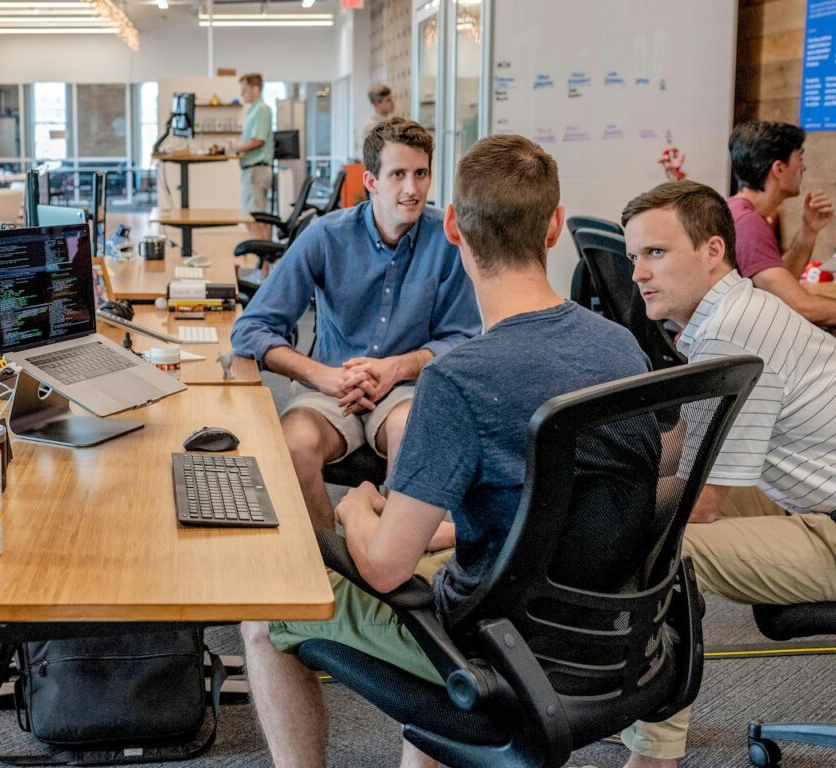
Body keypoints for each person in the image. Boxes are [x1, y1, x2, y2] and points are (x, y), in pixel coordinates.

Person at [240, 134, 656, 768]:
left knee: (261, 619)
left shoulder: (458, 382)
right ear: (555, 227)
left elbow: (382, 569)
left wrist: (356, 507)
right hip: (608, 634)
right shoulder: (622, 348)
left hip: (496, 649)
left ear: (456, 227)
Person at [621, 179, 836, 768]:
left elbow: (703, 501)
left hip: (829, 524)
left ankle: (654, 756)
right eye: (633, 255)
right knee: (644, 516)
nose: (638, 272)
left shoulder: (731, 331)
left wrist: (596, 523)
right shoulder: (734, 311)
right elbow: (688, 449)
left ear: (713, 251)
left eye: (656, 253)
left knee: (668, 549)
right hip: (805, 498)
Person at [231, 117, 480, 531]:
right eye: (397, 174)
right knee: (293, 445)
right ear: (371, 180)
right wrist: (322, 376)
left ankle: (387, 561)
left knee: (413, 436)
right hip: (331, 388)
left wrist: (396, 368)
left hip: (405, 390)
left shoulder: (449, 240)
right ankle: (332, 562)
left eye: (421, 174)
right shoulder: (325, 237)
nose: (412, 189)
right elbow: (251, 329)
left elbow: (464, 339)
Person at [727, 121, 836, 325]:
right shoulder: (748, 224)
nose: (803, 167)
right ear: (778, 168)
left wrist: (808, 231)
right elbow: (801, 306)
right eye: (799, 158)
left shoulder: (738, 210)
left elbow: (778, 288)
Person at [236, 72, 274, 240]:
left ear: (256, 89)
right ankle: (264, 263)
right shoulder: (253, 111)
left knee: (254, 219)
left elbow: (259, 140)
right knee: (256, 218)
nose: (241, 94)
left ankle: (264, 264)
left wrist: (237, 148)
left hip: (256, 171)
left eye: (244, 90)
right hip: (253, 170)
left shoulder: (261, 110)